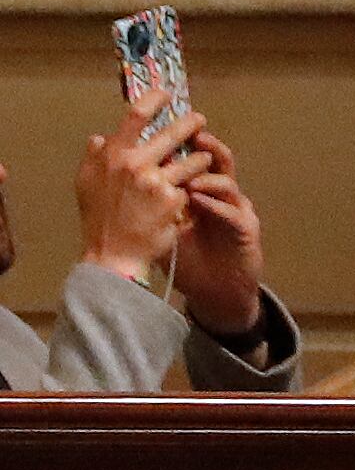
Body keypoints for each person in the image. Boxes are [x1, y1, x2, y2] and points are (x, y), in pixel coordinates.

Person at [2, 94, 298, 394]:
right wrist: (117, 262)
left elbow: (274, 441)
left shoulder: (9, 336)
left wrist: (233, 326)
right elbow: (82, 441)